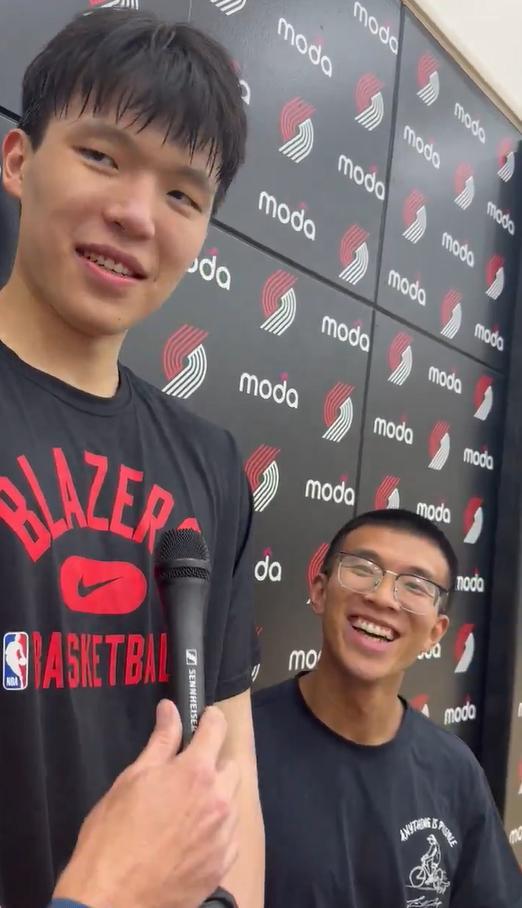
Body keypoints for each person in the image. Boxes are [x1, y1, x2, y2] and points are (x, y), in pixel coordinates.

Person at [0, 8, 264, 908]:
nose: (136, 215)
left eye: (184, 196)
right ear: (18, 161)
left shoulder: (210, 465)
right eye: (102, 157)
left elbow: (228, 780)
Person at [253, 509, 522, 907]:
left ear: (435, 633)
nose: (381, 597)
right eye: (363, 569)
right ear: (320, 591)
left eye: (415, 586)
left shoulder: (454, 771)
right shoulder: (239, 742)